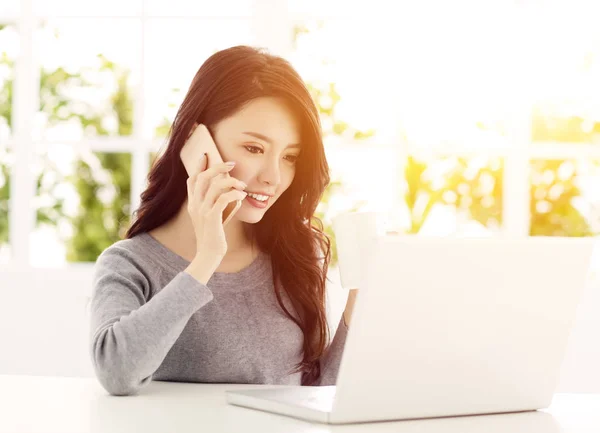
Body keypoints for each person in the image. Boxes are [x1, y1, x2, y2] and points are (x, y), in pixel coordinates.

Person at [89, 45, 358, 396]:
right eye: (254, 149)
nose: (273, 177)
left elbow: (316, 392)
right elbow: (116, 373)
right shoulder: (131, 264)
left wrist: (361, 299)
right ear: (196, 142)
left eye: (290, 156)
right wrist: (207, 257)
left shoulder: (296, 254)